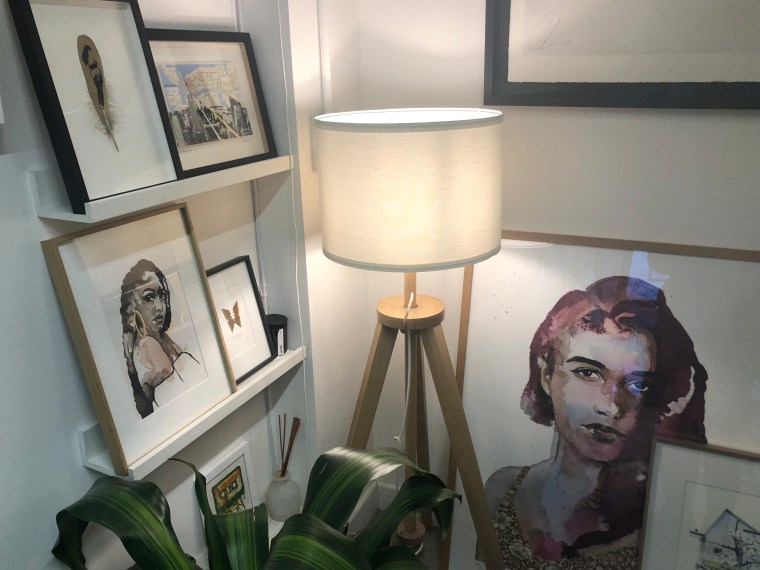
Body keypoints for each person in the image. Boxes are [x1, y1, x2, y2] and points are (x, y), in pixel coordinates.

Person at [485, 275, 707, 568]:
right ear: (547, 374)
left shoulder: (661, 521)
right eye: (588, 373)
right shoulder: (502, 489)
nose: (610, 406)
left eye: (637, 385)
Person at [120, 259, 197, 418]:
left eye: (162, 295)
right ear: (132, 307)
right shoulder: (146, 345)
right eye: (149, 298)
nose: (160, 306)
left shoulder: (165, 339)